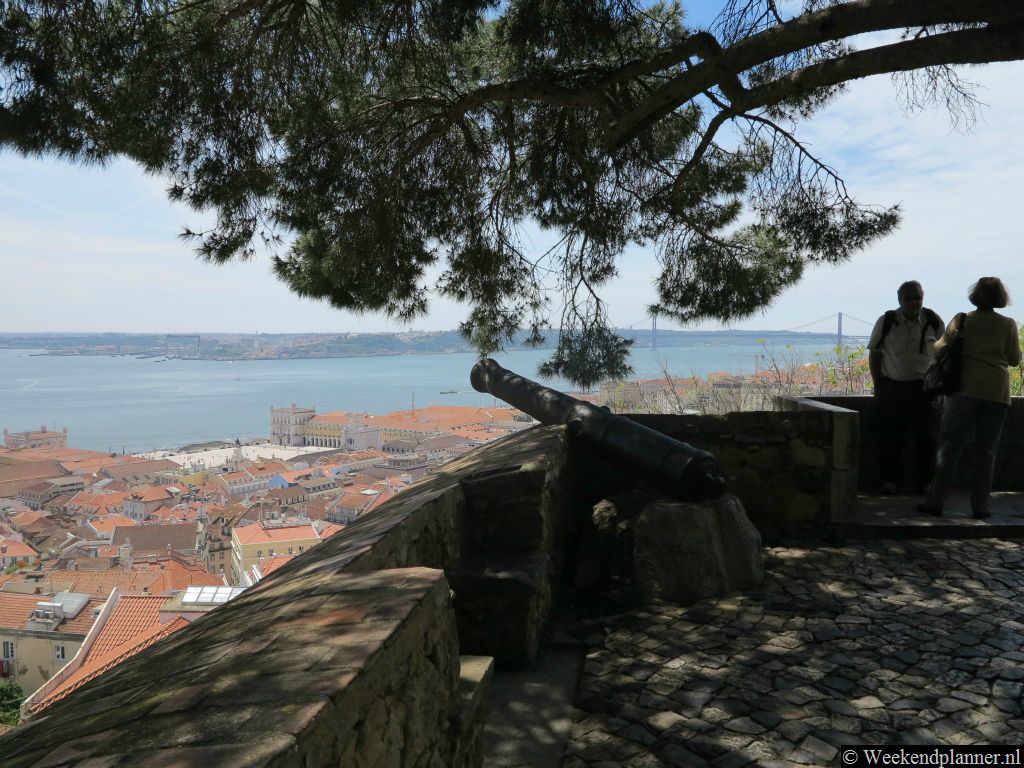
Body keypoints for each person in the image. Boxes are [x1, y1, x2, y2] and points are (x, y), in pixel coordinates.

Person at [919, 278, 1022, 519]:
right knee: (986, 452)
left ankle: (936, 501)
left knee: (949, 448)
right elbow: (1014, 359)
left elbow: (940, 349)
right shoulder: (1008, 325)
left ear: (975, 295)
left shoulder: (961, 320)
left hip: (963, 390)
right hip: (997, 391)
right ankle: (981, 507)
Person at [867, 281, 943, 494]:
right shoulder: (887, 321)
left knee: (927, 438)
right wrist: (879, 384)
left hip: (925, 390)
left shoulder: (934, 321)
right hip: (893, 388)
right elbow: (875, 353)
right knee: (891, 437)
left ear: (923, 297)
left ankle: (925, 483)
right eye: (908, 298)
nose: (913, 302)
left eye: (917, 297)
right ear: (899, 300)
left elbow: (943, 354)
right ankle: (890, 481)